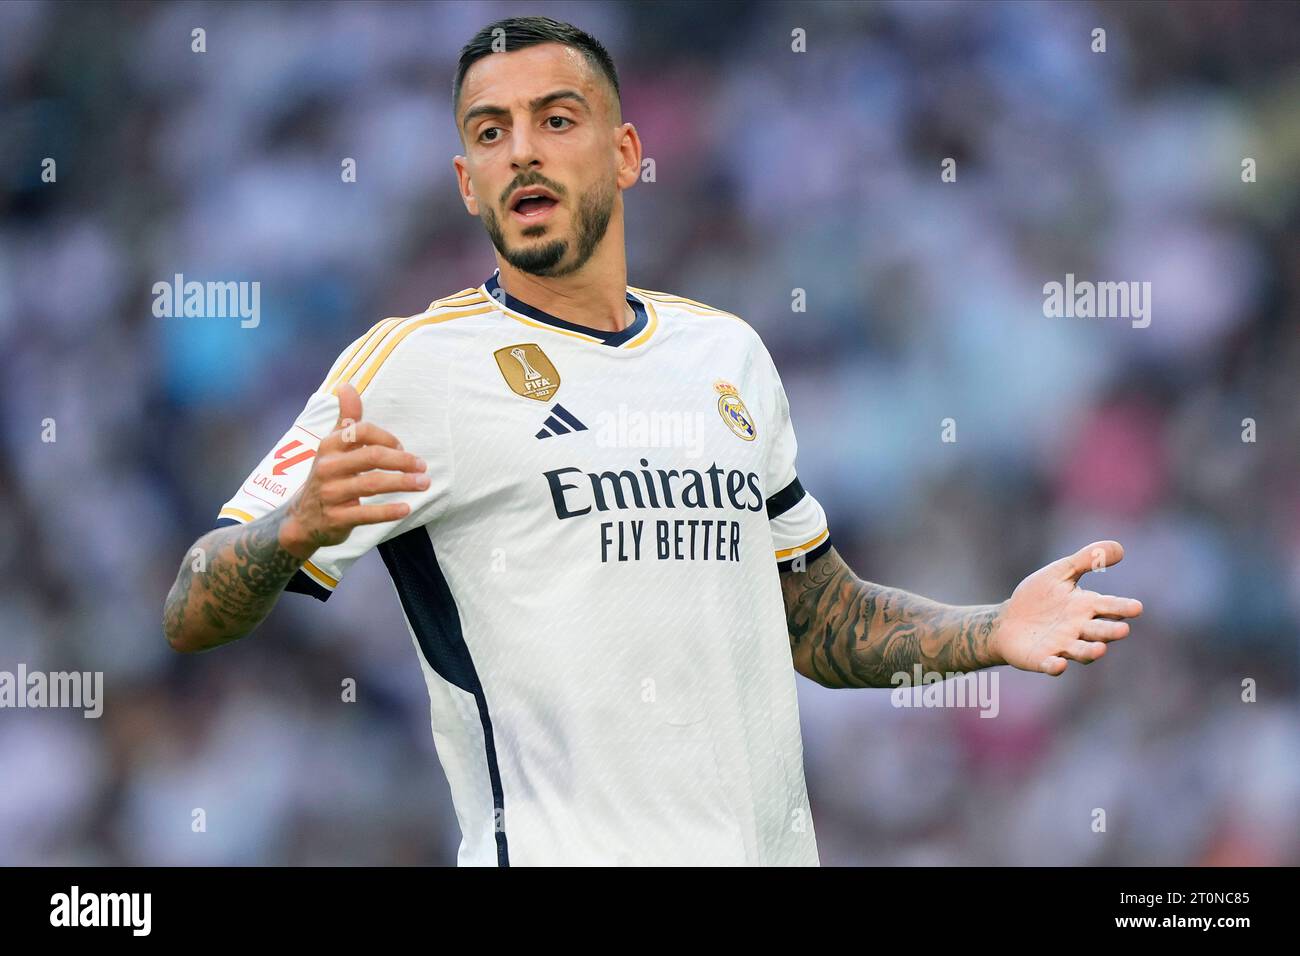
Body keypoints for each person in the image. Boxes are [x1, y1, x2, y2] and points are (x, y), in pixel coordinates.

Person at [162, 15, 1143, 866]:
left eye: (556, 118)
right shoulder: (412, 366)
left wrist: (993, 631)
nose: (522, 153)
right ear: (467, 182)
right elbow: (192, 603)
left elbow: (817, 619)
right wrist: (290, 530)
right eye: (489, 132)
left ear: (626, 152)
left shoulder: (727, 356)